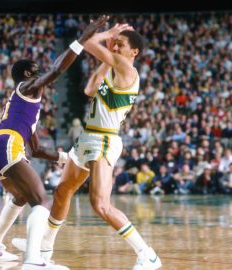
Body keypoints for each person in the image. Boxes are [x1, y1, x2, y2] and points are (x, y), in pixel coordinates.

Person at [13, 22, 162, 269]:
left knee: (100, 204)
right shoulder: (114, 68)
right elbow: (90, 88)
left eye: (121, 44)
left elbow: (88, 43)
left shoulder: (127, 68)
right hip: (87, 138)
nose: (114, 45)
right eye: (115, 43)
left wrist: (106, 35)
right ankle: (45, 248)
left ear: (134, 52)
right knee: (62, 192)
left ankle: (147, 254)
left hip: (104, 139)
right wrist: (109, 54)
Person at [0, 16, 109, 270]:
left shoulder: (25, 105)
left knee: (19, 197)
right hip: (8, 145)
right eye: (37, 68)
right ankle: (33, 261)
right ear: (28, 74)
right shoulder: (28, 86)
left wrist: (64, 158)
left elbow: (36, 149)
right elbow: (57, 70)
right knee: (41, 202)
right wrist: (82, 40)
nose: (43, 70)